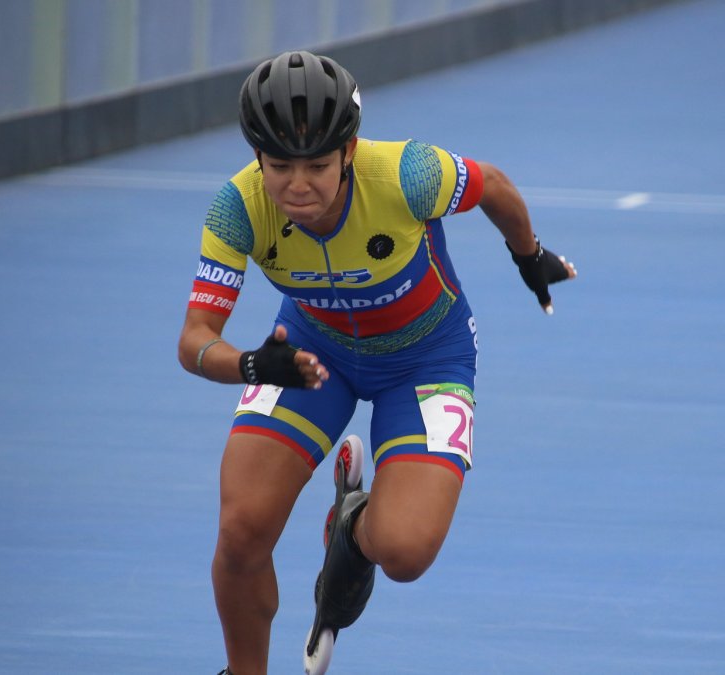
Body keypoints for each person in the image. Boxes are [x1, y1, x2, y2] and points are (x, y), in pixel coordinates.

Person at [177, 50, 576, 675]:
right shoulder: (238, 207)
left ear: (351, 151)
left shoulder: (410, 175)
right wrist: (255, 365)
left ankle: (353, 528)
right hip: (311, 358)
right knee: (242, 529)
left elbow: (492, 185)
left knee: (406, 552)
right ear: (257, 158)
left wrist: (531, 256)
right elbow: (196, 340)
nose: (297, 185)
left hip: (427, 358)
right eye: (279, 166)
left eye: (316, 165)